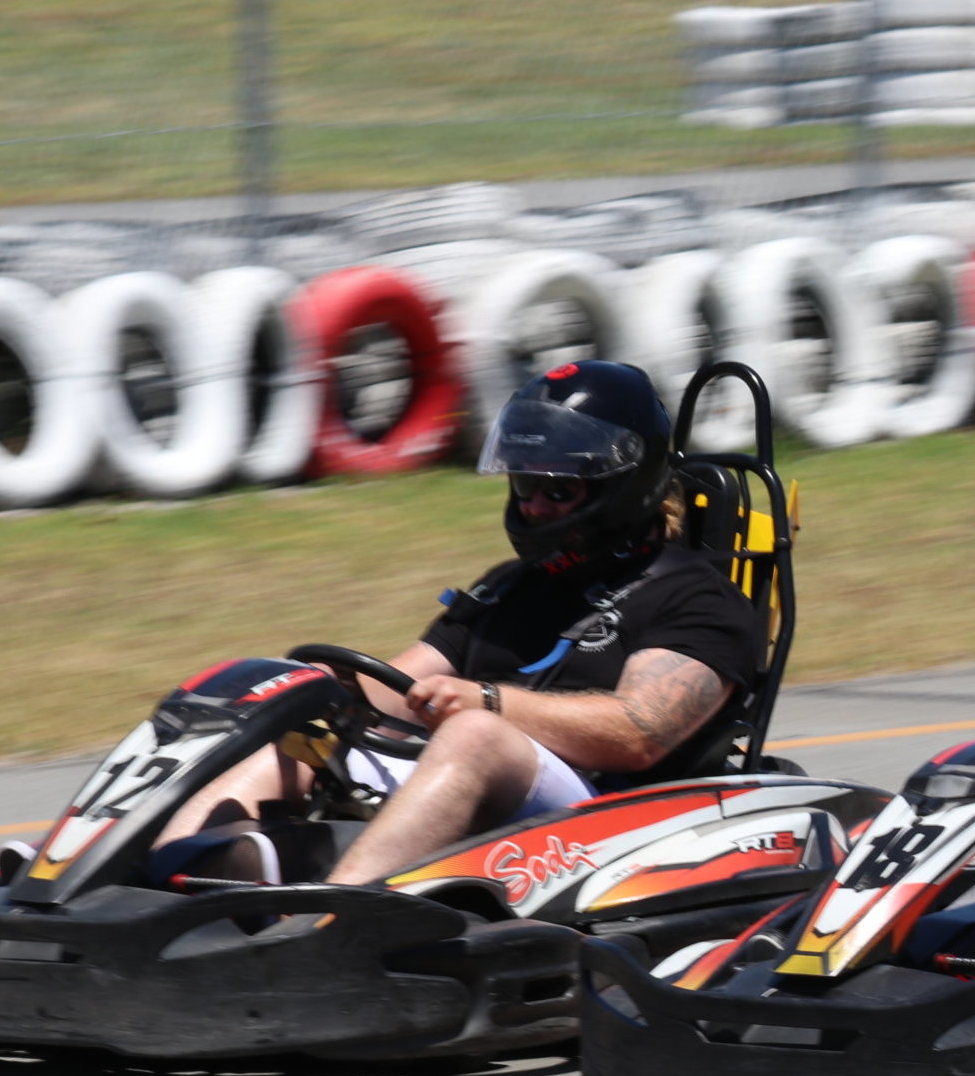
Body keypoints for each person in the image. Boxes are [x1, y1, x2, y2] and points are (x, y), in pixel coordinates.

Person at [159, 360, 764, 887]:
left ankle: (327, 924)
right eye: (524, 482)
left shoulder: (697, 598)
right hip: (468, 785)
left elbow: (640, 733)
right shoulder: (510, 586)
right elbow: (401, 685)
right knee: (300, 729)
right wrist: (320, 688)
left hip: (607, 823)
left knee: (476, 735)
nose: (531, 504)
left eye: (557, 489)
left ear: (620, 487)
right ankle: (161, 878)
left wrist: (488, 703)